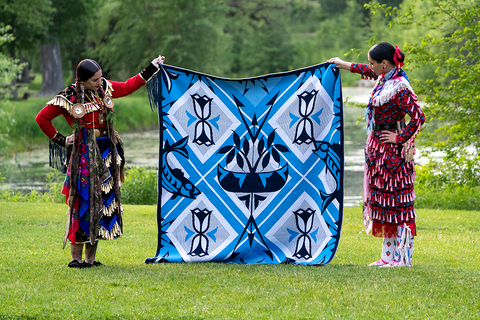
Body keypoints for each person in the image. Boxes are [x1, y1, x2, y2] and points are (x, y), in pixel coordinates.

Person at [36, 55, 165, 268]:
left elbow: (127, 86)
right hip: (84, 155)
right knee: (83, 201)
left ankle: (91, 259)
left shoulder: (104, 87)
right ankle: (76, 259)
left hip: (105, 152)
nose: (100, 82)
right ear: (81, 80)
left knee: (103, 200)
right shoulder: (68, 96)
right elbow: (42, 118)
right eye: (95, 80)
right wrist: (62, 140)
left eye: (100, 78)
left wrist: (151, 68)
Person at [328, 42, 425, 267]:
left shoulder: (399, 86)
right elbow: (365, 69)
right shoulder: (384, 78)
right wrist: (343, 65)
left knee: (397, 201)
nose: (369, 67)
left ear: (384, 63)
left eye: (372, 63)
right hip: (378, 150)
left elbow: (418, 117)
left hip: (394, 153)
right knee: (382, 201)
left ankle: (403, 258)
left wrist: (399, 138)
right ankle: (387, 257)